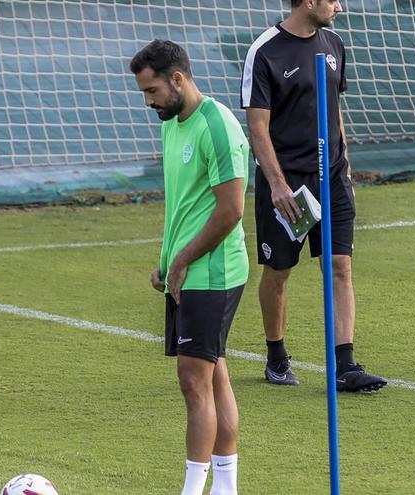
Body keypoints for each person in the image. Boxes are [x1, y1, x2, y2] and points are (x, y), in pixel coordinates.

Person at [240, 0, 387, 392]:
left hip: (333, 178)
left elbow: (334, 108)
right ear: (308, 2)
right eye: (331, 0)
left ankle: (345, 365)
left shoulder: (335, 43)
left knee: (340, 264)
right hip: (288, 186)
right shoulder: (265, 51)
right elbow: (257, 127)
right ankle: (276, 355)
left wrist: (346, 163)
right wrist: (276, 185)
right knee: (279, 272)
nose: (338, 6)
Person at [131, 39, 250, 495]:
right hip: (186, 273)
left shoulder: (217, 126)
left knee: (193, 382)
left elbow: (232, 209)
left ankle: (192, 491)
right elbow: (182, 204)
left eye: (153, 90)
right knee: (214, 372)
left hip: (211, 272)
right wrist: (166, 260)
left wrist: (181, 260)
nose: (149, 101)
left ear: (178, 79)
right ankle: (225, 489)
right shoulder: (171, 124)